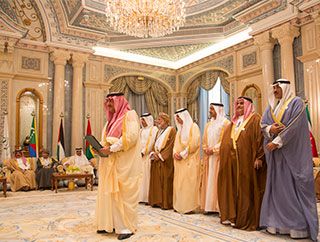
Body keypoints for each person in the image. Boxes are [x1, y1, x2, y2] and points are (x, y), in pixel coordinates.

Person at [259, 79, 319, 240]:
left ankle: (297, 227)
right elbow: (263, 123)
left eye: (278, 87)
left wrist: (277, 142)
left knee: (291, 190)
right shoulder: (272, 106)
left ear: (285, 88)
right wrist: (269, 129)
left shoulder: (296, 103)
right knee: (278, 191)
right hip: (276, 157)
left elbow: (295, 127)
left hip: (291, 156)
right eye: (274, 87)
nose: (275, 90)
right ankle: (277, 225)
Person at [95, 92, 142, 240]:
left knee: (122, 194)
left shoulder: (129, 115)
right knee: (109, 193)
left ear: (119, 102)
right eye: (107, 103)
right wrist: (99, 148)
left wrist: (112, 148)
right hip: (110, 163)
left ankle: (125, 227)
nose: (108, 106)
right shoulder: (110, 120)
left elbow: (130, 137)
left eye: (111, 103)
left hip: (123, 164)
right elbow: (106, 139)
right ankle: (109, 224)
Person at [218, 96, 266, 230]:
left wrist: (259, 157)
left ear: (248, 105)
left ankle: (247, 219)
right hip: (232, 164)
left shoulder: (255, 119)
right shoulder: (233, 122)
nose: (238, 105)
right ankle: (235, 216)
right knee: (234, 189)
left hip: (248, 162)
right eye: (237, 103)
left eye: (241, 103)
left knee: (247, 190)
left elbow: (261, 139)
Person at [200, 103, 230, 213]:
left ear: (218, 110)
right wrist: (206, 149)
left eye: (212, 109)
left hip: (219, 157)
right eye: (210, 108)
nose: (210, 111)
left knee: (218, 181)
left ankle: (218, 207)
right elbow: (204, 140)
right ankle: (209, 206)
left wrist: (214, 149)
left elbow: (225, 141)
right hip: (209, 157)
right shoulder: (209, 124)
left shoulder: (225, 123)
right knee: (209, 181)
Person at [173, 108, 201, 214]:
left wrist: (183, 154)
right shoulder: (179, 130)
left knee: (189, 184)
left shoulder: (193, 127)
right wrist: (175, 153)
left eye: (179, 117)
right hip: (180, 162)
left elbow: (195, 143)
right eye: (176, 118)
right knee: (179, 184)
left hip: (190, 160)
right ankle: (179, 205)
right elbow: (175, 144)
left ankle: (189, 207)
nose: (178, 120)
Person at [149, 112, 176, 209]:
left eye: (160, 120)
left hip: (164, 160)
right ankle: (156, 201)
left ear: (165, 121)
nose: (157, 121)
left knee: (165, 182)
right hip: (157, 159)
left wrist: (160, 156)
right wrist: (153, 153)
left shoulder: (171, 130)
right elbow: (154, 144)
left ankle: (165, 203)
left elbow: (170, 146)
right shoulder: (159, 131)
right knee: (156, 182)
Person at [139, 113, 158, 203]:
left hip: (147, 156)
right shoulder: (140, 131)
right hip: (139, 156)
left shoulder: (153, 129)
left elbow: (151, 142)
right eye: (141, 120)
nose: (142, 121)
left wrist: (143, 152)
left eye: (143, 120)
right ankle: (140, 197)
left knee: (147, 176)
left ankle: (146, 197)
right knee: (140, 176)